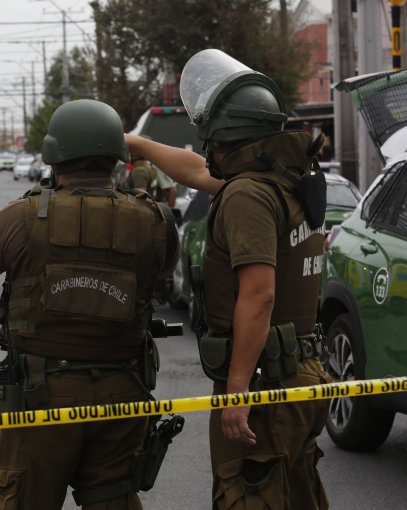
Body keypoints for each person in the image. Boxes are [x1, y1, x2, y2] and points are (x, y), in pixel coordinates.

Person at [126, 49, 331, 509]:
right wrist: (137, 145)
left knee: (247, 495)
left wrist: (238, 390)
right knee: (298, 495)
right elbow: (195, 171)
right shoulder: (287, 181)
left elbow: (259, 295)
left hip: (266, 386)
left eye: (212, 141)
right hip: (302, 374)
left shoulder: (247, 197)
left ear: (226, 137)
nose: (206, 152)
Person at [0, 99, 179, 509]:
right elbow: (164, 270)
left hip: (41, 397)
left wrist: (6, 220)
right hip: (122, 391)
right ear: (117, 158)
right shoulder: (155, 220)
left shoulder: (20, 217)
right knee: (114, 498)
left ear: (54, 156)